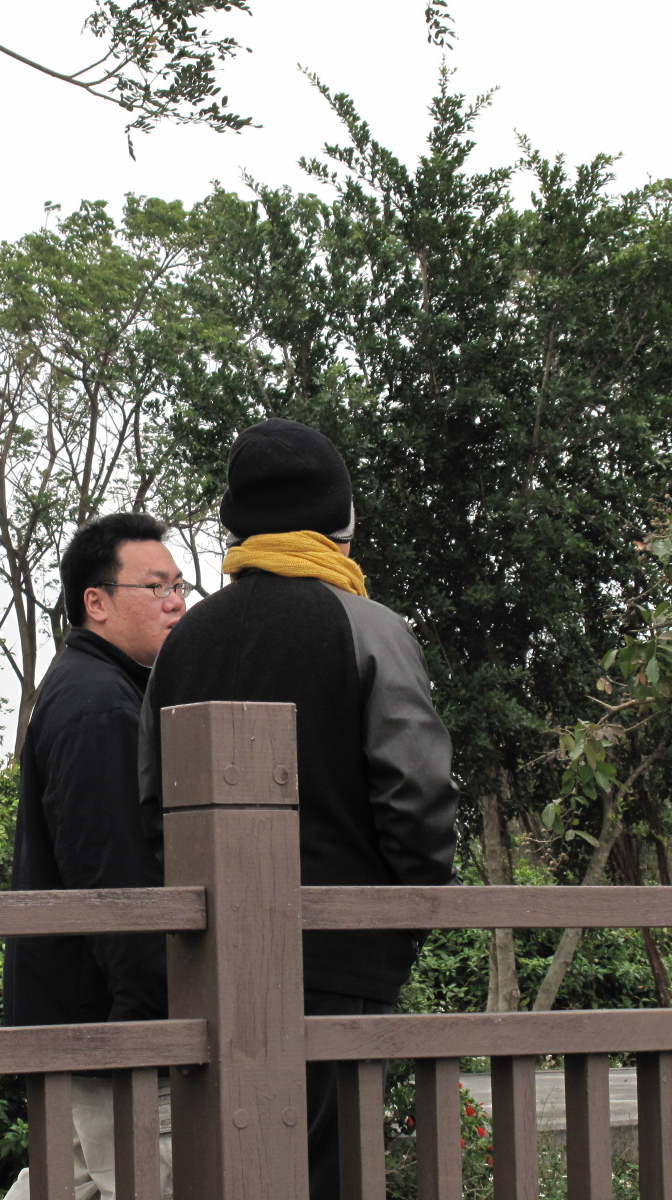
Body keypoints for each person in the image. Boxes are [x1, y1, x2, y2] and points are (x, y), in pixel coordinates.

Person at [140, 417, 459, 1200]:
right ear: (340, 520)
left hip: (211, 972)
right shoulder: (370, 628)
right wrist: (404, 920)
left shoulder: (184, 642)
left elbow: (152, 804)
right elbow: (416, 798)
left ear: (236, 524)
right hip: (342, 962)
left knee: (227, 1176)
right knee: (333, 1172)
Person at [3, 511, 186, 1200]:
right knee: (150, 1180)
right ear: (97, 602)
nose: (175, 602)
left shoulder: (94, 686)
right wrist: (150, 1024)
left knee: (68, 1184)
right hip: (113, 1027)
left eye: (179, 585)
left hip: (78, 1016)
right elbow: (114, 875)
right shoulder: (101, 706)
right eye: (155, 586)